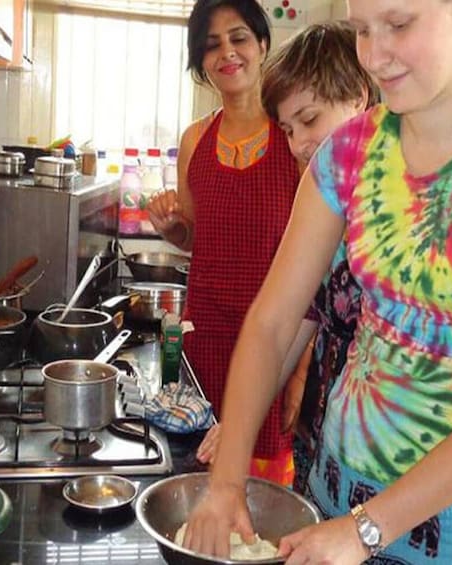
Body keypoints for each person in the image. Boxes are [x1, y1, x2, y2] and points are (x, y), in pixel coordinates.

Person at [181, 0, 452, 563]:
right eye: (361, 31)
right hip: (333, 492)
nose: (374, 56)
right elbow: (274, 322)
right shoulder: (349, 153)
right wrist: (226, 483)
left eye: (398, 25)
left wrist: (363, 530)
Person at [195, 21, 380, 496]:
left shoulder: (400, 199)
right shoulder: (328, 201)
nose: (298, 143)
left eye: (310, 119)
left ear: (359, 96)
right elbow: (287, 323)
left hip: (391, 481)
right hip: (327, 459)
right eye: (288, 128)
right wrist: (237, 427)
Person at [146, 0, 300, 487]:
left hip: (276, 344)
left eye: (238, 38)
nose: (226, 53)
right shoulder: (195, 139)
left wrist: (298, 376)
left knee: (263, 496)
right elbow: (195, 239)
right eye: (211, 46)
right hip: (205, 339)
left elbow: (313, 267)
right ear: (200, 62)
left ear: (262, 45)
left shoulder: (294, 137)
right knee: (198, 480)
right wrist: (172, 229)